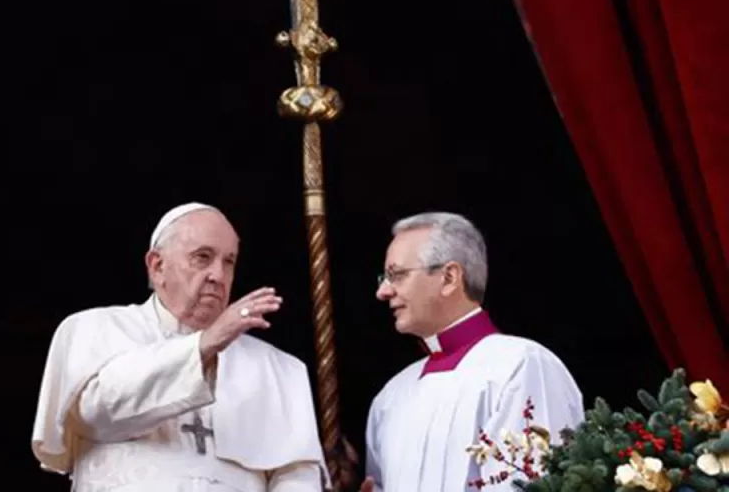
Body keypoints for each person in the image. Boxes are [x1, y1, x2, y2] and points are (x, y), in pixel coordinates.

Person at [31, 202, 330, 491]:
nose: (218, 274)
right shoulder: (94, 329)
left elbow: (297, 477)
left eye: (229, 261)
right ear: (157, 266)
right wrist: (203, 346)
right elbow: (97, 413)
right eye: (203, 257)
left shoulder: (276, 367)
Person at [362, 212, 584, 491]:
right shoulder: (391, 396)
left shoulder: (521, 365)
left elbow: (533, 483)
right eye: (385, 277)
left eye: (397, 275)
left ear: (449, 278)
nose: (383, 292)